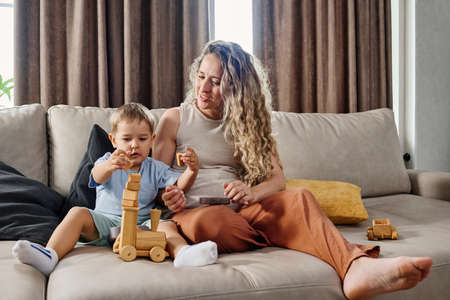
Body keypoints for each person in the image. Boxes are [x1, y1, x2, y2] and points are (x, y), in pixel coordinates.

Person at [152, 40, 433, 300]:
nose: (203, 89)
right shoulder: (175, 119)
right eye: (201, 77)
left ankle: (356, 266)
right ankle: (286, 233)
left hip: (243, 212)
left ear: (237, 87)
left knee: (300, 198)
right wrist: (170, 194)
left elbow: (277, 180)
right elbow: (157, 181)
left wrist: (251, 191)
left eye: (215, 82)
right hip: (193, 213)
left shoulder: (250, 123)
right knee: (211, 223)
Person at [12, 103, 217, 276]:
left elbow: (178, 185)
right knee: (77, 213)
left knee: (166, 224)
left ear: (152, 140)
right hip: (104, 223)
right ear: (113, 140)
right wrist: (110, 165)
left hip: (142, 225)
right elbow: (95, 176)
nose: (134, 145)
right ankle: (50, 255)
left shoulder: (155, 167)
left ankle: (182, 253)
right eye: (127, 139)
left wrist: (191, 170)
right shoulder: (107, 160)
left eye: (142, 139)